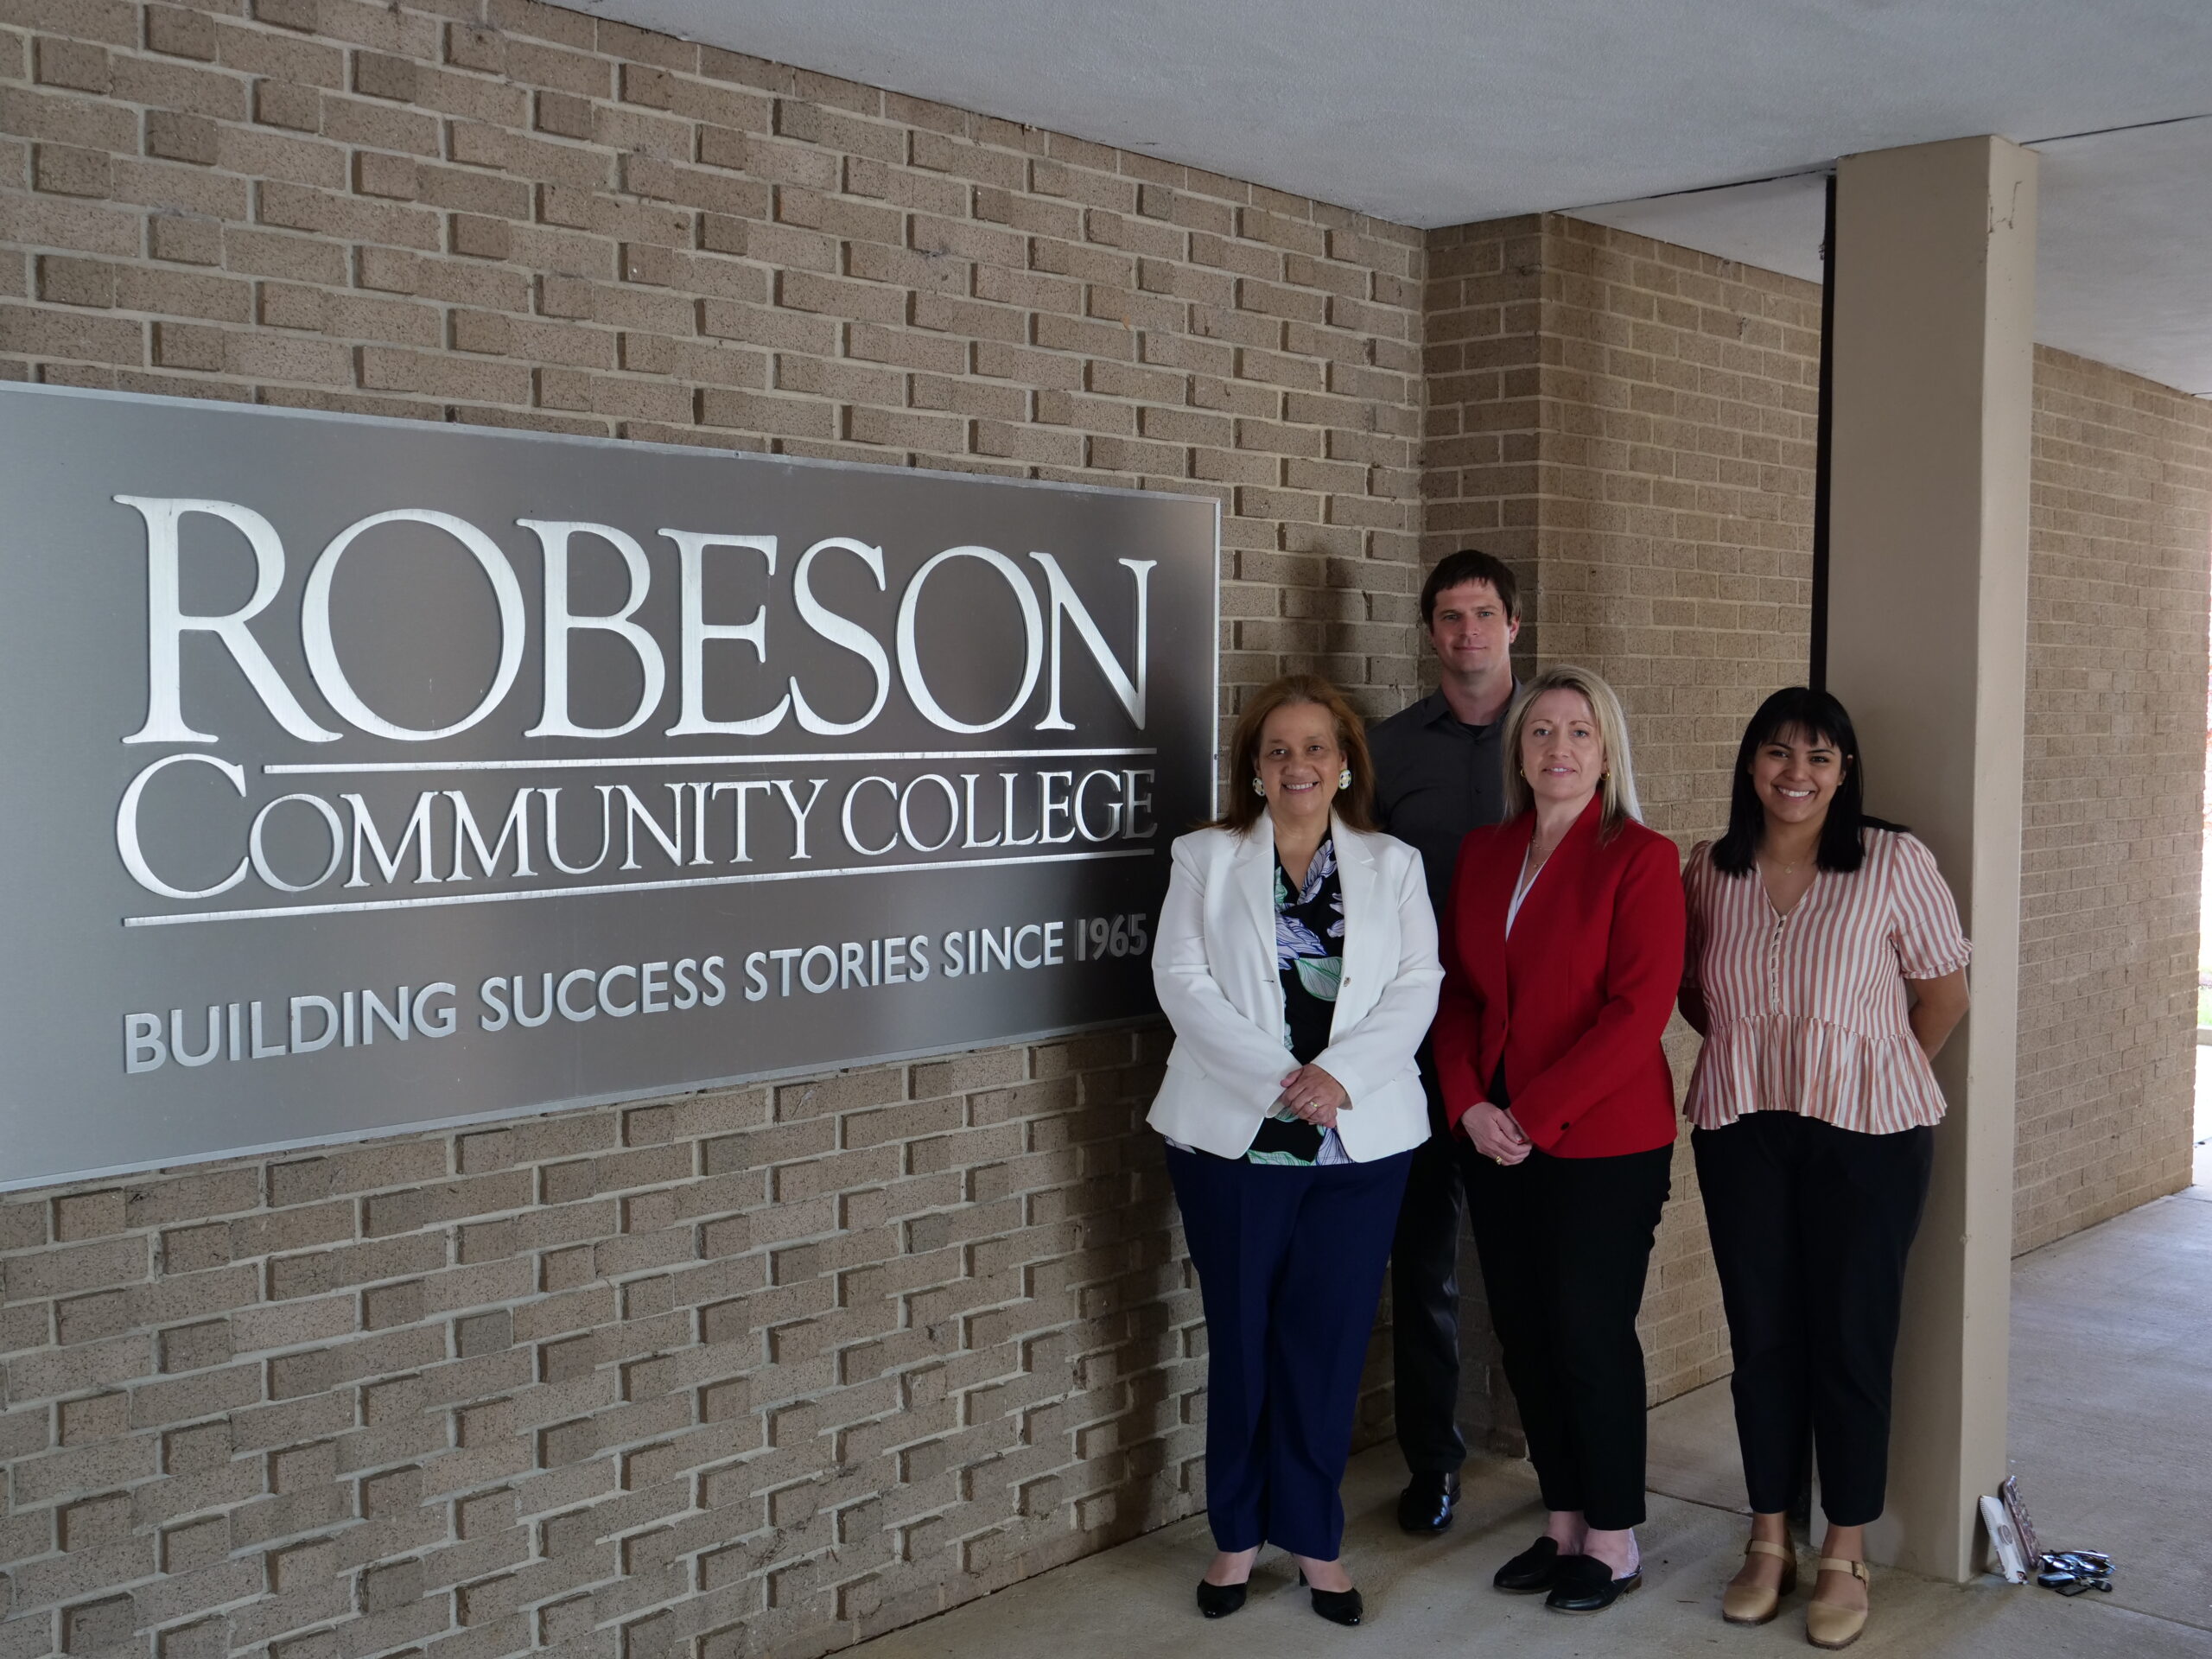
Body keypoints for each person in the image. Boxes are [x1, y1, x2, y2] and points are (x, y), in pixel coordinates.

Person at [1150, 673, 1444, 1627]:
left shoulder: (1392, 864)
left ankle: (1315, 1541)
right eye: (1277, 750)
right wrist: (1284, 1080)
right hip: (1234, 1137)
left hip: (1358, 1143)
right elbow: (1181, 982)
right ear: (1253, 768)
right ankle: (1236, 1538)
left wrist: (1340, 1078)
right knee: (1241, 1338)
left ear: (1344, 761)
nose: (1297, 764)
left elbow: (1416, 983)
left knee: (1323, 1347)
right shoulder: (1204, 856)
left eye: (1315, 747)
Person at [1679, 687, 1969, 1651]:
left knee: (1850, 1341)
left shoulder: (1893, 860)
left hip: (1869, 1140)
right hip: (1743, 1127)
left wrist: (1868, 1075)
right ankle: (1769, 1539)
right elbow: (1692, 994)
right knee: (1761, 1340)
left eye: (1818, 758)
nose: (1794, 775)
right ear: (1749, 764)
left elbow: (1943, 993)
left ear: (1845, 773)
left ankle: (1843, 1546)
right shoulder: (1707, 870)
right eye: (1776, 753)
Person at [1430, 664, 1685, 1615]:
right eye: (1541, 733)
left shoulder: (1640, 857)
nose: (1559, 750)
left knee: (1587, 1333)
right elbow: (1459, 992)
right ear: (1518, 750)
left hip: (1601, 1143)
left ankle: (1614, 1534)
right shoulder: (1486, 853)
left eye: (1580, 733)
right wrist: (1467, 1106)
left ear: (1608, 751)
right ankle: (1564, 1515)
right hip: (1490, 1136)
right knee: (1527, 1335)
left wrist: (1530, 1116)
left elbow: (1636, 1014)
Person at [1366, 547, 1522, 1535]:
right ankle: (1434, 1467)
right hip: (1416, 1045)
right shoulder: (1385, 751)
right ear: (1429, 633)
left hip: (1525, 1044)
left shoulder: (1555, 737)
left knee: (1537, 1265)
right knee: (1422, 1265)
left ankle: (1573, 1465)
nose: (1467, 633)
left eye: (1484, 614)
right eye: (1449, 617)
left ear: (1514, 626)